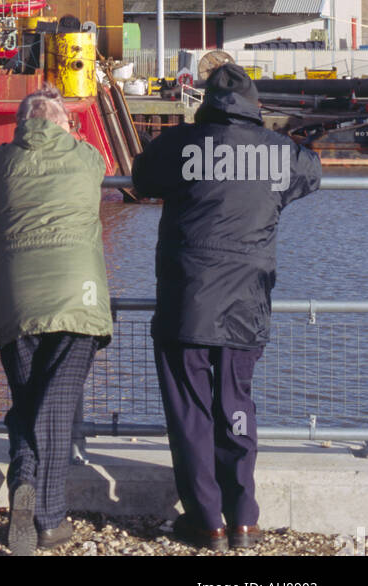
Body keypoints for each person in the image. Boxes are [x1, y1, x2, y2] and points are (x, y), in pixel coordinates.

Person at [131, 62, 321, 551]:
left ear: (207, 103)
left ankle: (206, 521)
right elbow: (310, 173)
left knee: (191, 413)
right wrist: (300, 143)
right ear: (253, 106)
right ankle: (244, 519)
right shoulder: (281, 153)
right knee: (236, 404)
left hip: (185, 299)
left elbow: (142, 176)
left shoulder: (179, 145)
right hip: (247, 300)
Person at [0, 85, 112, 555]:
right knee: (54, 409)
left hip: (17, 301)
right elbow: (104, 166)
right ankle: (49, 519)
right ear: (65, 124)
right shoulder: (87, 158)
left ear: (20, 125)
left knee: (27, 404)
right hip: (80, 297)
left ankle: (24, 483)